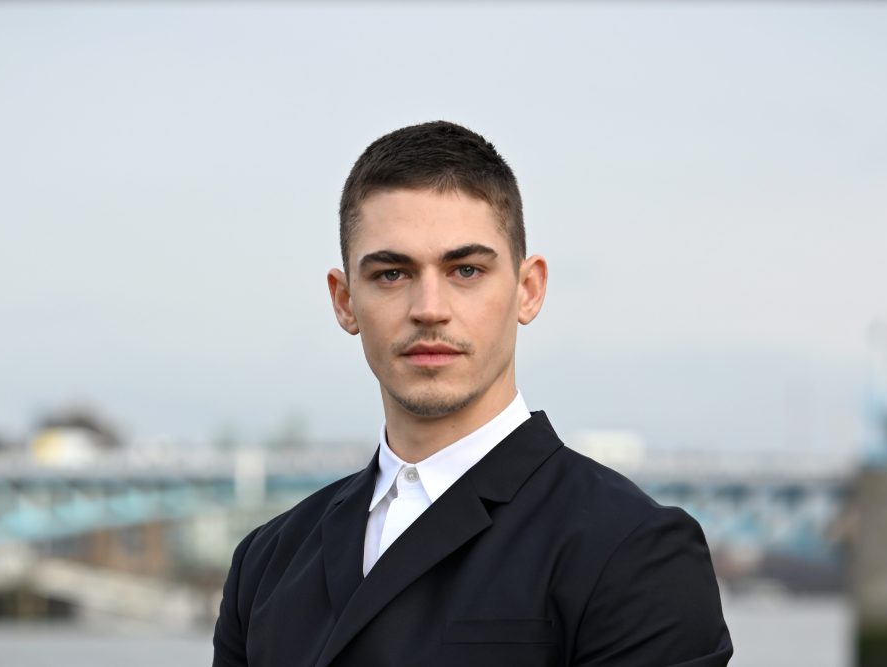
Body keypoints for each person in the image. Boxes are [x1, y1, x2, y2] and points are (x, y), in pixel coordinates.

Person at [212, 121, 733, 667]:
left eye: (466, 270)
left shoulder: (631, 549)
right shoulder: (266, 561)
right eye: (392, 274)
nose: (429, 307)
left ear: (527, 290)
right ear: (344, 301)